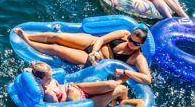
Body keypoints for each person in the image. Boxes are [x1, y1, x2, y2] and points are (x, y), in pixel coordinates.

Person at [13, 23, 152, 84]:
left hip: (91, 59)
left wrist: (126, 72)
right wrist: (95, 50)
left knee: (57, 49)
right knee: (58, 37)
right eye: (130, 40)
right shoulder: (124, 33)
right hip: (92, 43)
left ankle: (28, 42)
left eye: (135, 43)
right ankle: (30, 36)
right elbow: (103, 39)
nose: (131, 43)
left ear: (142, 44)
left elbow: (148, 79)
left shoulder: (137, 57)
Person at [29, 61, 128, 107]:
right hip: (80, 101)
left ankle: (121, 81)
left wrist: (33, 67)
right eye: (49, 77)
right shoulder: (48, 93)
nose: (51, 79)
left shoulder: (44, 78)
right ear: (39, 79)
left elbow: (33, 71)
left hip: (78, 88)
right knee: (122, 89)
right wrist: (66, 94)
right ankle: (121, 103)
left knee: (111, 85)